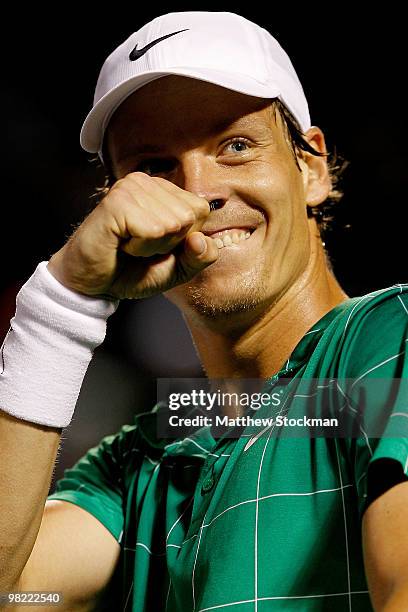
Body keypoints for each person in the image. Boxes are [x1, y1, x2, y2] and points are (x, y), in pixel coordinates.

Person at [0, 10, 407, 612]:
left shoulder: (390, 337)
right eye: (152, 166)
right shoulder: (135, 462)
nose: (198, 189)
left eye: (236, 146)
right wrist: (58, 305)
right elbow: (15, 591)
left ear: (312, 167)